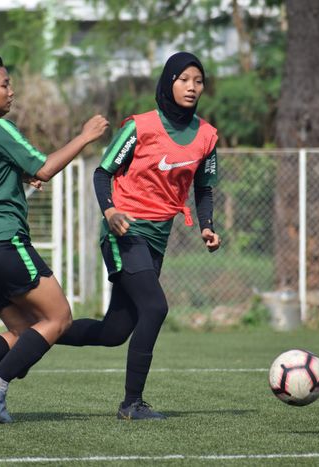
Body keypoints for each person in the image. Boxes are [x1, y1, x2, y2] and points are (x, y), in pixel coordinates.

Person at [0, 55, 108, 423]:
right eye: (5, 85)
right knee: (59, 319)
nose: (12, 92)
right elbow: (44, 167)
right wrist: (85, 136)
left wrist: (11, 173)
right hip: (5, 242)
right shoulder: (0, 127)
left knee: (23, 331)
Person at [55, 52, 221, 420]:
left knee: (114, 331)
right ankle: (132, 404)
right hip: (124, 230)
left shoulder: (207, 136)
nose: (192, 86)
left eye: (199, 80)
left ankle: (39, 334)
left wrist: (207, 225)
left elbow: (205, 189)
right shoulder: (140, 127)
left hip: (157, 237)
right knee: (156, 307)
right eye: (184, 79)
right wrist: (110, 211)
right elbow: (102, 173)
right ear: (168, 82)